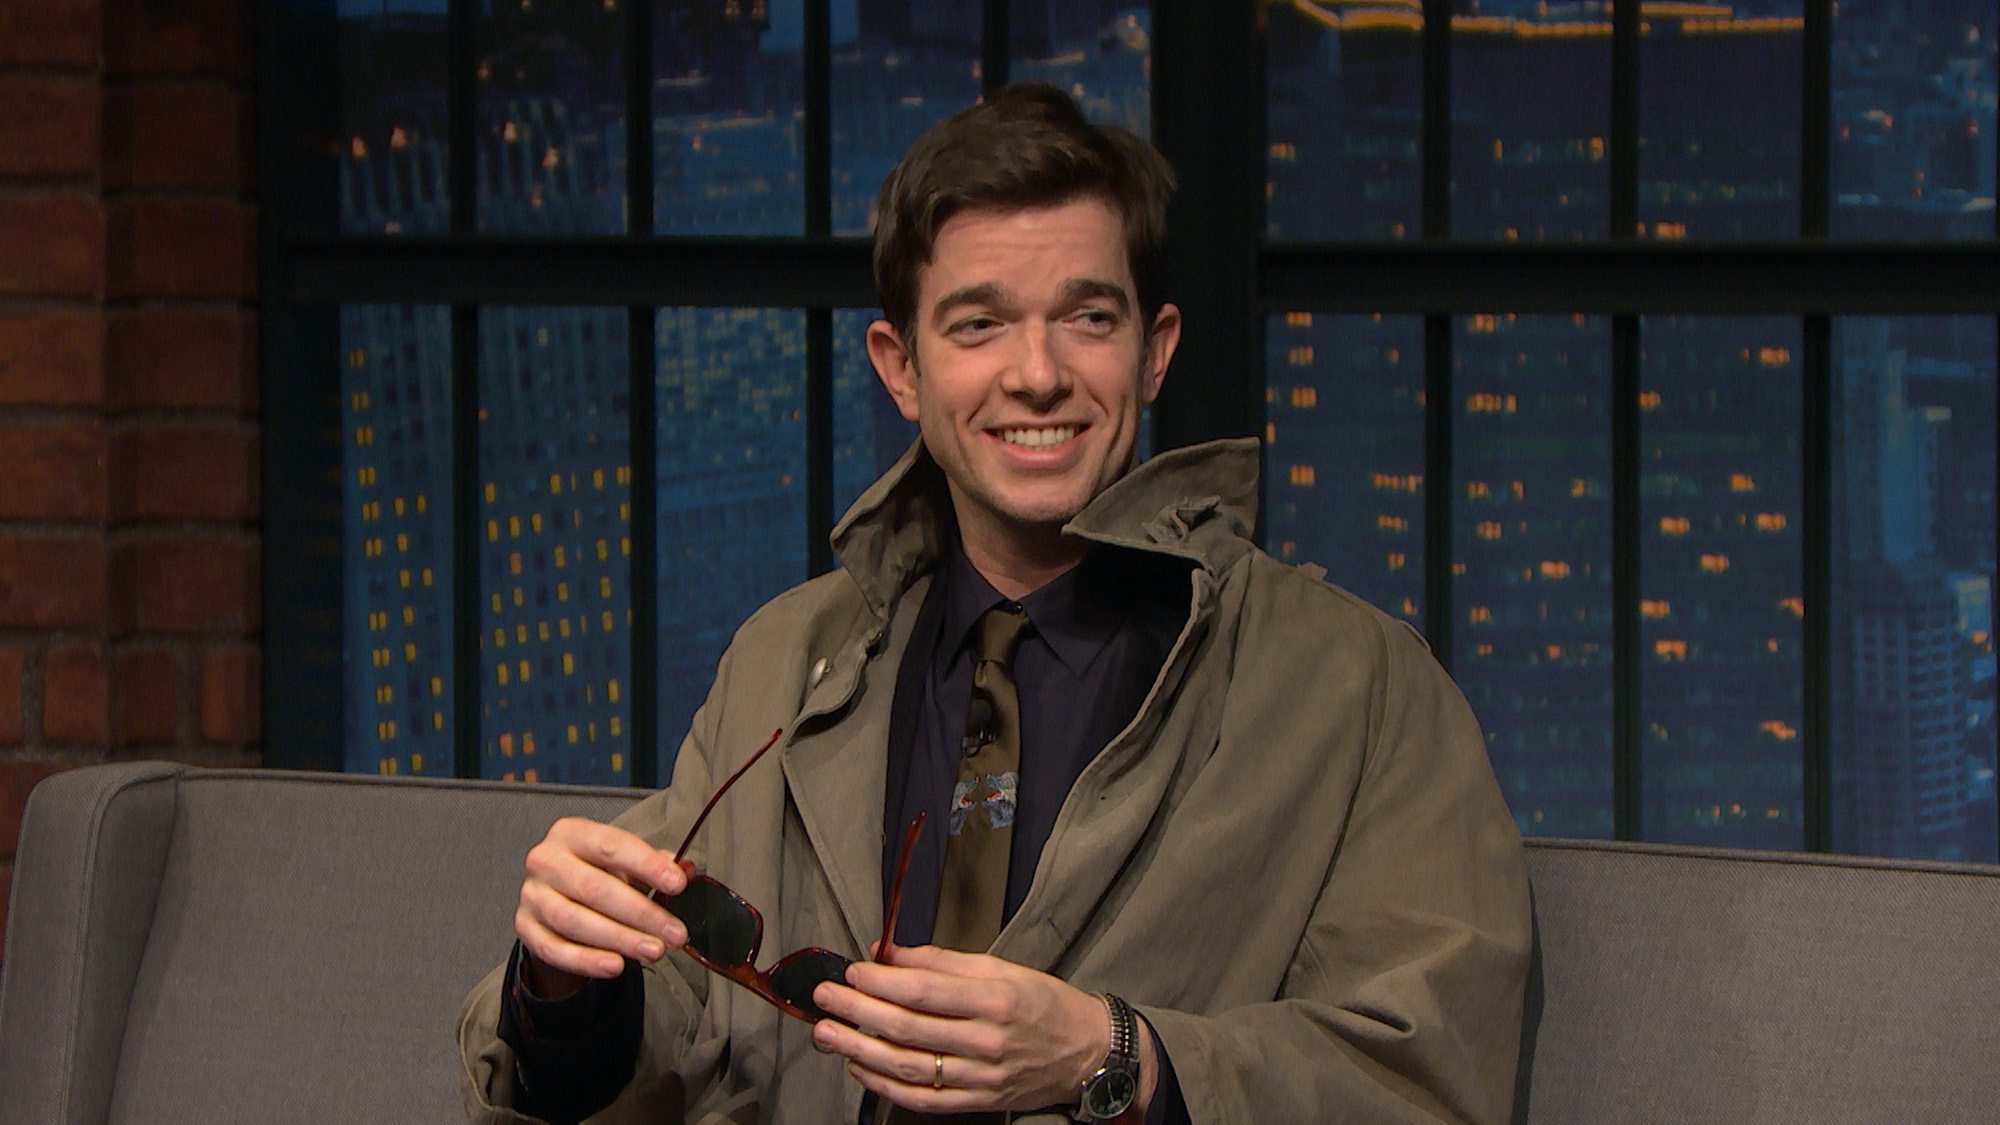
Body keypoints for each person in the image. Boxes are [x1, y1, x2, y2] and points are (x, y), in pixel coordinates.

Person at [459, 82, 1531, 1124]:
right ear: (901, 369)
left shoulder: (1356, 685)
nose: (1037, 374)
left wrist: (1114, 1057)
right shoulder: (785, 660)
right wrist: (561, 983)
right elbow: (657, 1019)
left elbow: (1428, 1074)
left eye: (1087, 317)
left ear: (1154, 352)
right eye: (979, 325)